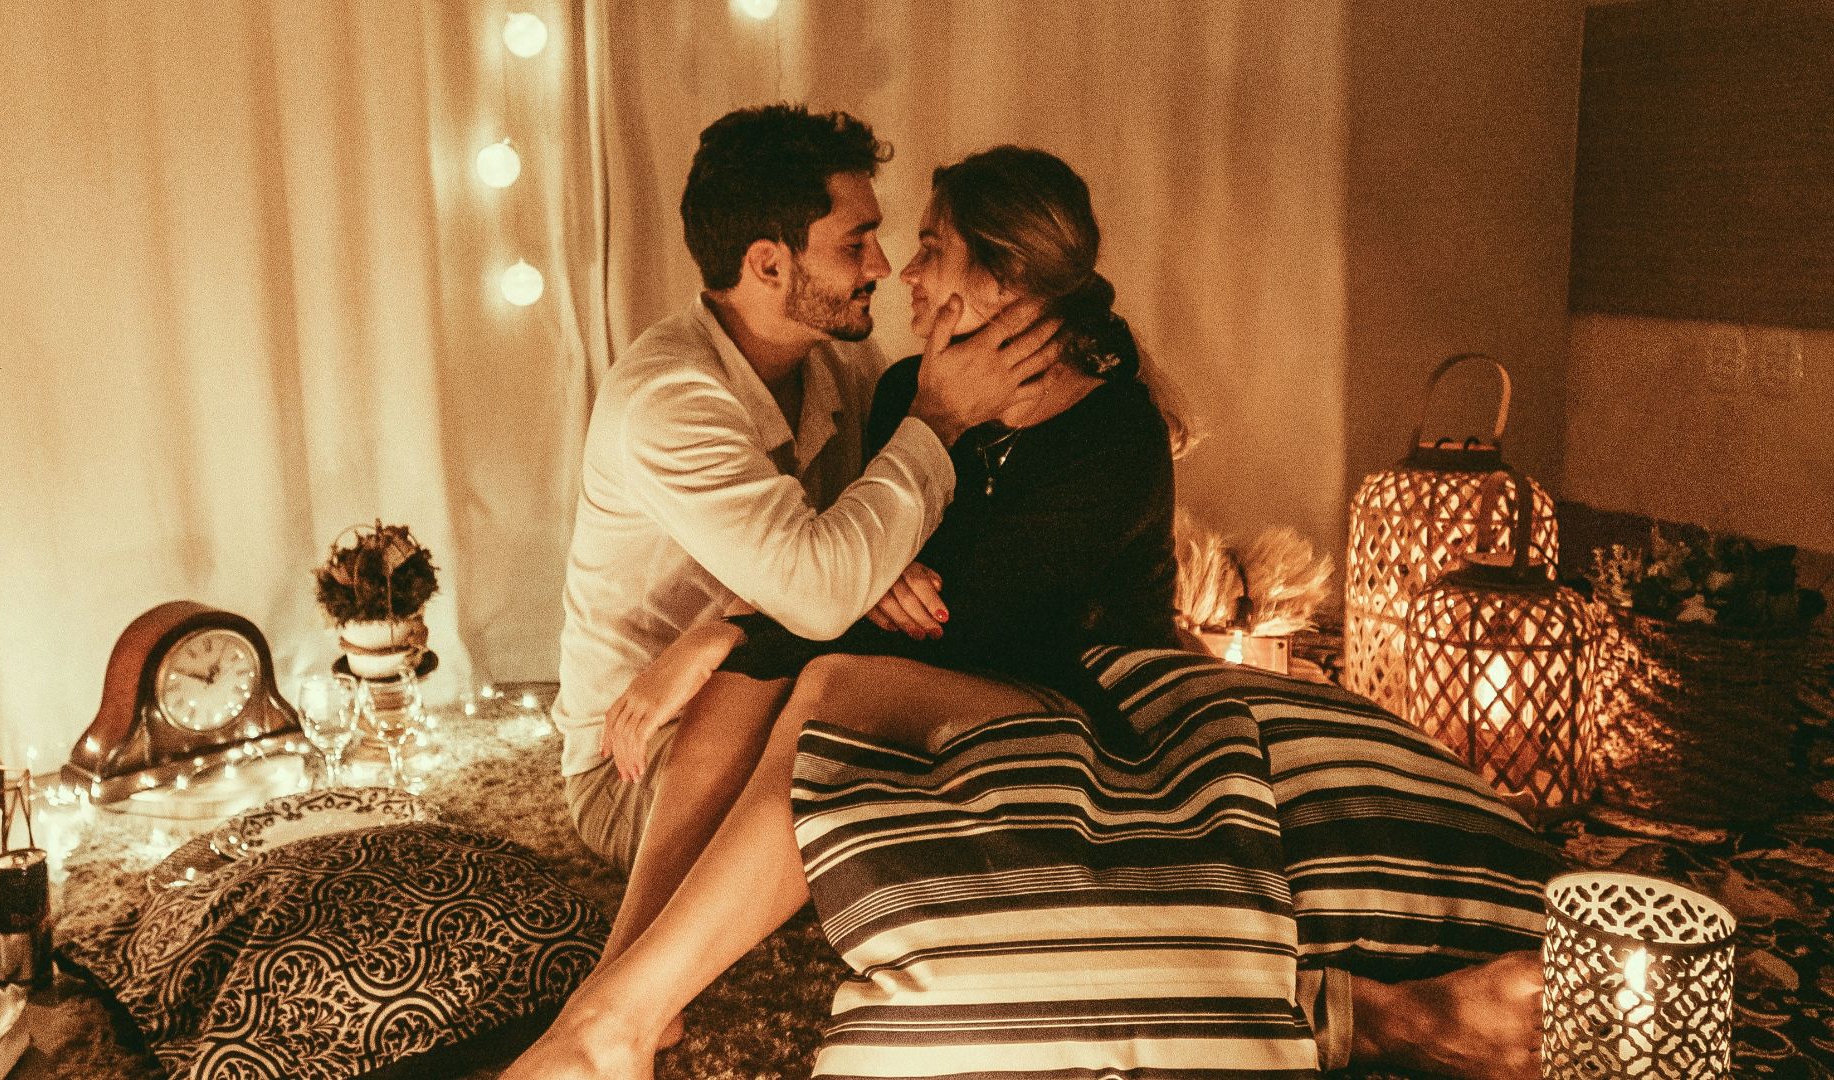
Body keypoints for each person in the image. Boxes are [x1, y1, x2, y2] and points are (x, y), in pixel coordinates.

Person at [514, 146, 1549, 1080]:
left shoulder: (1113, 432)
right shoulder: (908, 392)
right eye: (877, 243)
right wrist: (776, 620)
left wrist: (784, 611)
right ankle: (618, 1016)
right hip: (939, 685)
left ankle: (615, 1018)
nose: (900, 273)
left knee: (824, 676)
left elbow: (968, 618)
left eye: (926, 247)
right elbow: (864, 569)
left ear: (1004, 282)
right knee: (772, 678)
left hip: (1078, 704)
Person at [550, 104, 1059, 874]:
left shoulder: (839, 362)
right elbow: (824, 590)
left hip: (775, 686)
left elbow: (864, 548)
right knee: (881, 814)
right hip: (641, 760)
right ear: (768, 265)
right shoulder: (670, 401)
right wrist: (939, 419)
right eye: (856, 244)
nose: (883, 267)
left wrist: (829, 582)